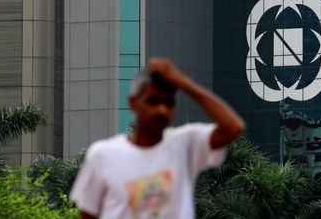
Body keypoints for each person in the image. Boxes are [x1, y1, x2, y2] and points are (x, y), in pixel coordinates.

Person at [69, 58, 246, 219]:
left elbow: (233, 127)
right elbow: (88, 215)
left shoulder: (185, 144)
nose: (162, 110)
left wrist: (182, 82)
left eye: (169, 103)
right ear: (133, 103)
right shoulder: (102, 155)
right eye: (153, 101)